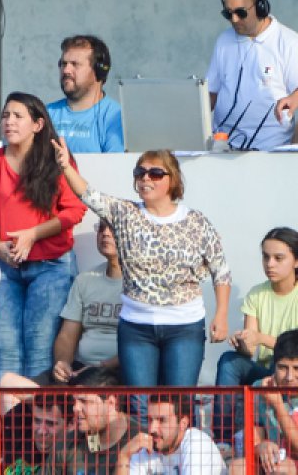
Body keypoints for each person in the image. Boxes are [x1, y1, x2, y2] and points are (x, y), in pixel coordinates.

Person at [53, 140, 232, 387]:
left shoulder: (196, 222)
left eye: (155, 173)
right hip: (137, 328)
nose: (145, 178)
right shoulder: (125, 213)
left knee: (178, 400)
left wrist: (221, 315)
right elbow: (88, 194)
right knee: (140, 403)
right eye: (140, 173)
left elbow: (220, 272)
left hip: (184, 325)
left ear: (173, 180)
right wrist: (65, 166)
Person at [0, 92, 86, 381]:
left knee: (40, 352)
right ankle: (10, 425)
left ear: (38, 125)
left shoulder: (56, 160)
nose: (8, 122)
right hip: (6, 267)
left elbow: (73, 212)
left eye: (17, 116)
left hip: (51, 267)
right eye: (5, 115)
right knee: (8, 351)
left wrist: (32, 236)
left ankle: (38, 426)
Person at [0, 219, 122, 414]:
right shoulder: (85, 280)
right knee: (8, 384)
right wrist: (62, 363)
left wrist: (102, 366)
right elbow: (67, 335)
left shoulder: (141, 285)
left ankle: (60, 411)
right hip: (80, 372)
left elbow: (141, 344)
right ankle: (25, 441)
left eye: (112, 229)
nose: (105, 234)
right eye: (101, 228)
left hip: (117, 375)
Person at [215, 228, 298, 447]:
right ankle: (222, 440)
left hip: (290, 370)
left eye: (278, 258)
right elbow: (251, 352)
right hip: (266, 370)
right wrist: (243, 341)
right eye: (265, 256)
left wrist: (260, 337)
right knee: (229, 361)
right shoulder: (256, 294)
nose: (270, 264)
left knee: (278, 363)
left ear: (296, 261)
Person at [207, 0, 298, 151]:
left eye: (240, 12)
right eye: (228, 13)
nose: (234, 19)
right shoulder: (224, 41)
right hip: (224, 147)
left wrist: (294, 98)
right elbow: (211, 94)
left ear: (260, 7)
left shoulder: (289, 42)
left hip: (271, 150)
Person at [43, 367, 140, 474]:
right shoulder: (69, 444)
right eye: (74, 401)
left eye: (84, 401)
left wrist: (123, 458)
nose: (75, 408)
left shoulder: (140, 445)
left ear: (112, 403)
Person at [229, 329, 298, 475]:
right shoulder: (260, 387)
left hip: (292, 463)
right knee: (237, 467)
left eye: (296, 368)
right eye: (283, 368)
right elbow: (254, 437)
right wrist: (261, 446)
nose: (289, 377)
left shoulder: (275, 397)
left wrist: (277, 404)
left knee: (284, 470)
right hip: (275, 460)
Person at [46, 35, 123, 153]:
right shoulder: (46, 113)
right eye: (63, 64)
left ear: (99, 70)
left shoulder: (115, 117)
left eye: (75, 64)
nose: (66, 70)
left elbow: (114, 168)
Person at [118, 394, 226, 474]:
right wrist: (124, 456)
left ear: (183, 423)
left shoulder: (197, 443)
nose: (152, 429)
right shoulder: (147, 448)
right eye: (150, 420)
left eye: (162, 420)